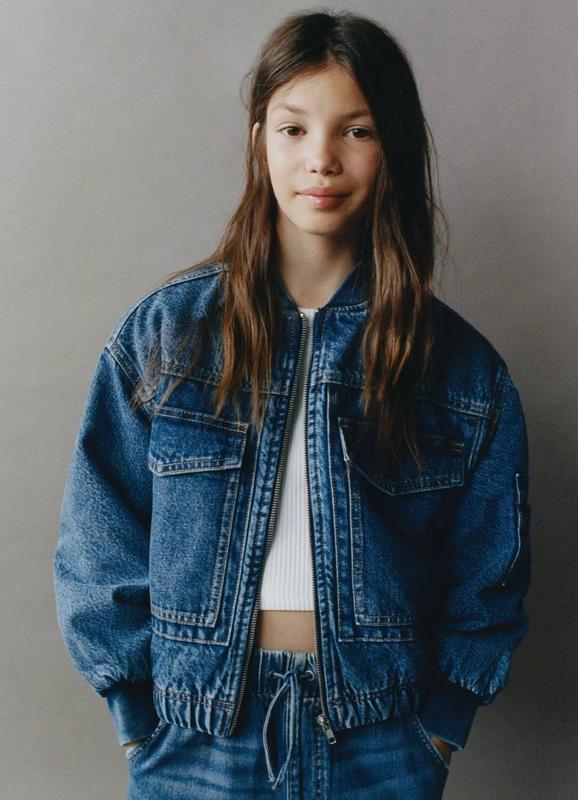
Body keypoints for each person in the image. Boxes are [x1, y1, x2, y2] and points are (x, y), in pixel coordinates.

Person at [53, 10, 532, 799]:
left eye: (356, 131)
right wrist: (136, 713)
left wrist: (439, 729)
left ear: (392, 146)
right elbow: (97, 537)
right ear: (259, 143)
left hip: (382, 736)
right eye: (294, 128)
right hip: (197, 732)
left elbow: (490, 572)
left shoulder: (459, 368)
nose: (321, 159)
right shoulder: (168, 336)